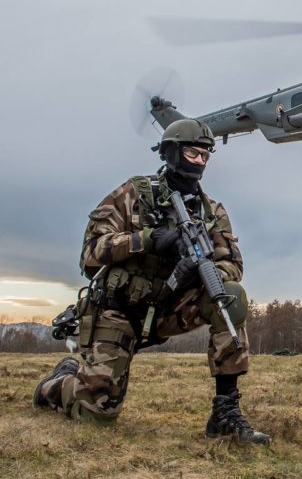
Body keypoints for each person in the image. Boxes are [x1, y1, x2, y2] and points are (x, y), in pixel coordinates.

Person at [33, 119, 270, 445]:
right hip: (121, 309)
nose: (199, 162)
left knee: (230, 297)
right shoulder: (134, 195)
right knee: (96, 413)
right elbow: (90, 255)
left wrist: (201, 271)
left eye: (205, 156)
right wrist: (146, 239)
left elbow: (234, 265)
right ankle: (58, 381)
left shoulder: (210, 211)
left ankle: (225, 414)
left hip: (169, 308)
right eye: (192, 153)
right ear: (172, 153)